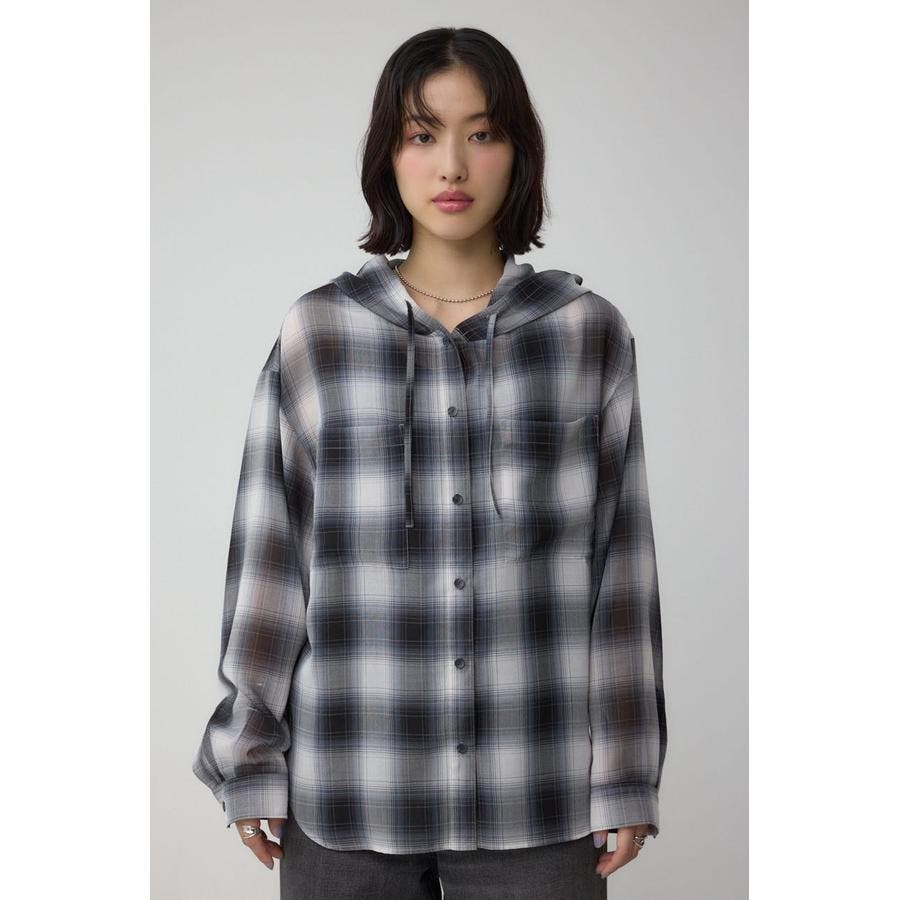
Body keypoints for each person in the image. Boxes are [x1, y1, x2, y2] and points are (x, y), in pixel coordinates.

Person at [192, 25, 667, 899]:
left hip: (540, 798)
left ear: (519, 153)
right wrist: (249, 756)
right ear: (389, 152)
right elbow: (270, 560)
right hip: (346, 792)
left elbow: (621, 570)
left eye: (482, 133)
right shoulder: (318, 333)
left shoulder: (587, 334)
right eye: (423, 134)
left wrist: (627, 771)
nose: (452, 164)